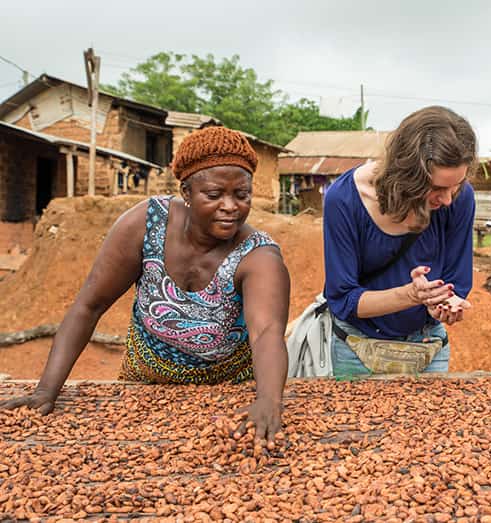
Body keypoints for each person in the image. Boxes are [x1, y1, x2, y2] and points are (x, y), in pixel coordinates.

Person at [1, 126, 290, 445]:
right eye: (214, 194)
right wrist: (46, 390)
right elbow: (90, 305)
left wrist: (268, 401)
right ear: (187, 193)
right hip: (142, 381)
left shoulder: (258, 255)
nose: (230, 206)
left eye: (241, 195)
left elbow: (266, 332)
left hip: (226, 393)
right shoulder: (145, 225)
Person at [323, 106, 477, 376]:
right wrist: (411, 295)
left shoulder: (460, 197)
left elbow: (457, 282)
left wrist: (444, 304)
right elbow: (344, 300)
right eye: (437, 188)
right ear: (408, 175)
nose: (449, 199)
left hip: (427, 345)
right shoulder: (344, 200)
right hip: (358, 347)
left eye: (456, 185)